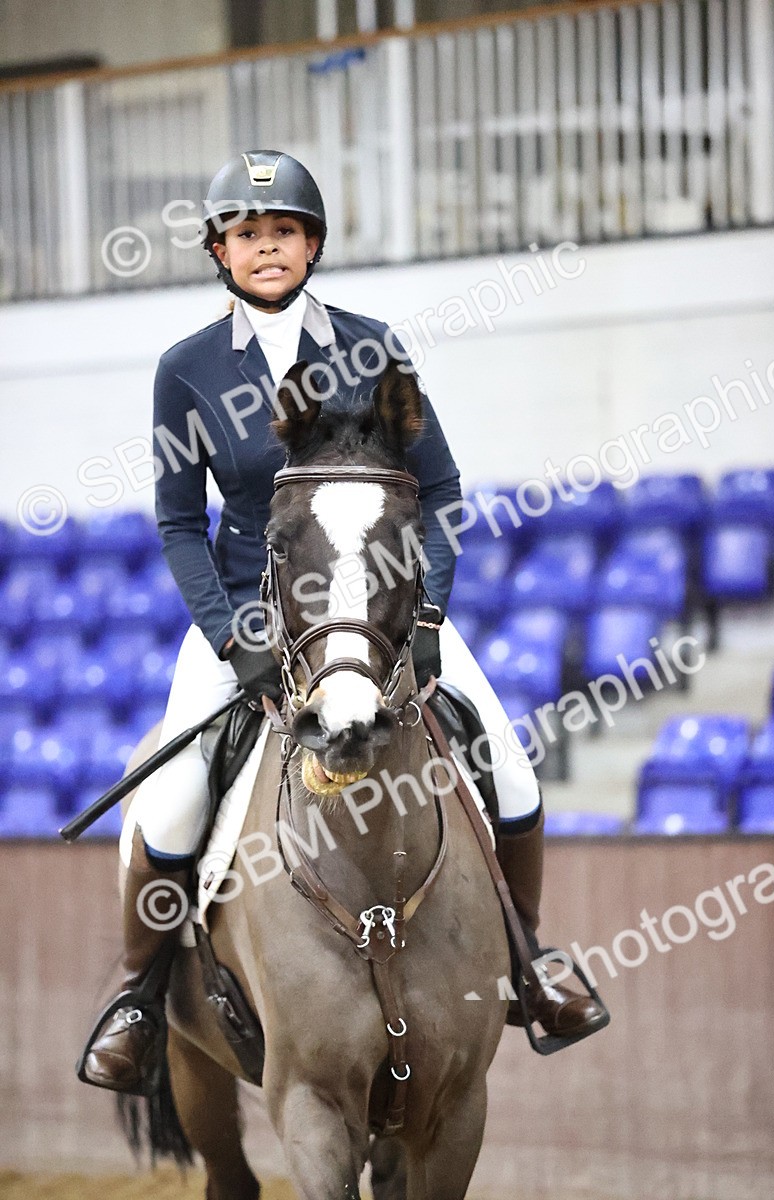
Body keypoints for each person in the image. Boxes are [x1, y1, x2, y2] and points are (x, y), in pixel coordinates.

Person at [79, 150, 604, 1095]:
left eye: (283, 230)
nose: (266, 246)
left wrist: (427, 609)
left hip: (382, 613)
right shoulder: (186, 371)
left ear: (312, 244)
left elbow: (441, 490)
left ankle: (529, 963)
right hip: (248, 618)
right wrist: (231, 635)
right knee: (171, 799)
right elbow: (178, 523)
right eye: (247, 233)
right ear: (219, 251)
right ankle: (137, 997)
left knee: (512, 769)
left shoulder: (373, 345)